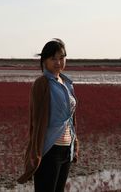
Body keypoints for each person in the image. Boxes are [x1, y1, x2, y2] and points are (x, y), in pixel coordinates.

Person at [17, 38, 79, 192]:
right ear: (44, 61)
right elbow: (36, 120)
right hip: (50, 149)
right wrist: (35, 150)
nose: (58, 62)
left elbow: (71, 118)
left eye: (62, 58)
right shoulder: (42, 83)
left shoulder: (67, 83)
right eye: (53, 58)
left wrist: (75, 143)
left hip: (66, 149)